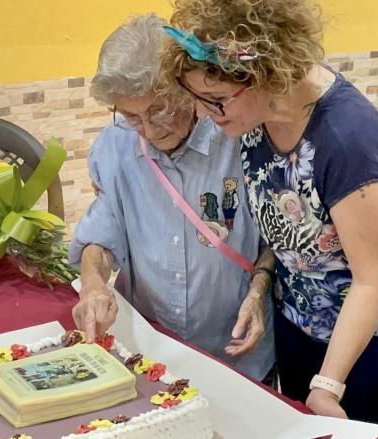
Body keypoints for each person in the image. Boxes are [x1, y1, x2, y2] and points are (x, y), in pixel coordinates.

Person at [159, 1, 378, 437]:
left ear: (266, 76)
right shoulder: (255, 118)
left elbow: (373, 277)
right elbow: (285, 230)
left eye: (214, 101)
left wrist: (329, 385)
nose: (204, 114)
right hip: (303, 322)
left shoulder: (346, 137)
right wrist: (260, 289)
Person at [68, 14, 276, 382]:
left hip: (237, 353)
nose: (147, 129)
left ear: (188, 89)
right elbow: (101, 233)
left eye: (159, 110)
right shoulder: (115, 145)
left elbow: (281, 235)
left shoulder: (240, 135)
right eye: (132, 116)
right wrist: (93, 284)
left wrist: (259, 289)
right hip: (151, 354)